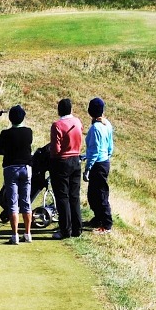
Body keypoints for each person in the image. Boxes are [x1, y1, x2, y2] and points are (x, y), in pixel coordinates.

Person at [0, 105, 33, 244]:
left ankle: (15, 236)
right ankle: (27, 234)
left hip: (11, 168)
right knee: (26, 201)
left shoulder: (5, 134)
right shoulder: (28, 132)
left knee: (13, 202)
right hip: (26, 167)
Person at [49, 98, 83, 239]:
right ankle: (77, 229)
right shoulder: (77, 122)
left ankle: (65, 230)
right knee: (74, 196)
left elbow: (56, 150)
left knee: (62, 197)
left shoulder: (57, 125)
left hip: (62, 162)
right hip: (76, 159)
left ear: (59, 110)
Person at [84, 97, 114, 233]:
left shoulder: (95, 128)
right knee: (93, 194)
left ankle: (107, 224)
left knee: (100, 195)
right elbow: (110, 147)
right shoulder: (107, 124)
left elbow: (94, 151)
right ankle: (98, 218)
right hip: (104, 162)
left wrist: (87, 168)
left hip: (98, 164)